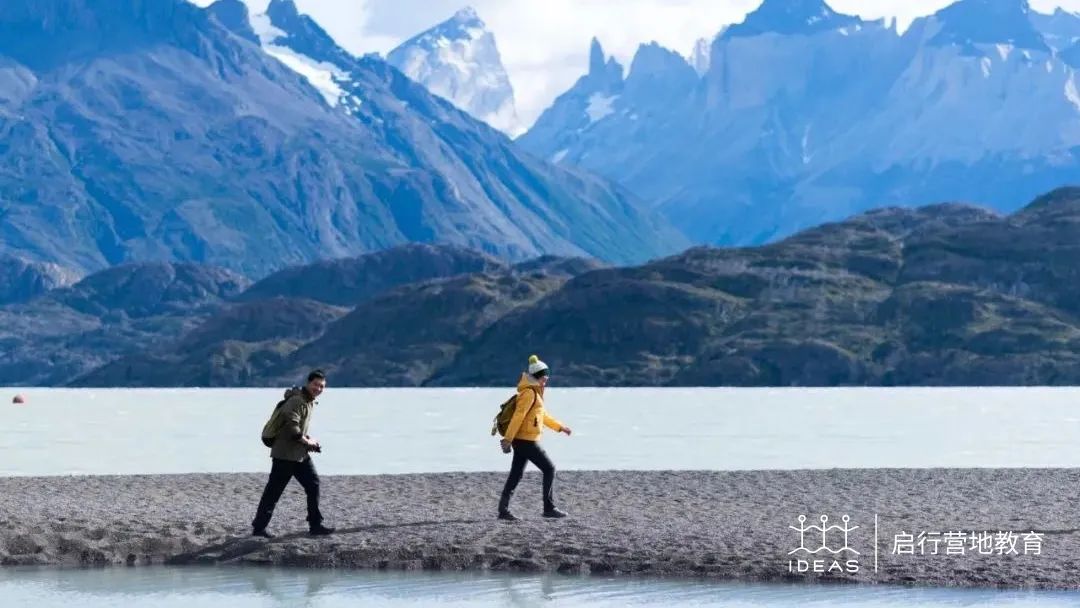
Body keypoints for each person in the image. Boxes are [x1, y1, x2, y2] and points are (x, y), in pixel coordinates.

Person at [251, 369, 335, 538]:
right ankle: (259, 529)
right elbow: (292, 427)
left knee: (313, 485)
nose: (318, 389)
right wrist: (307, 441)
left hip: (299, 455)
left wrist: (308, 440)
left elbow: (298, 429)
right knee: (273, 492)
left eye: (322, 386)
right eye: (316, 385)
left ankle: (315, 525)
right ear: (308, 383)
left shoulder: (308, 401)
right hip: (284, 455)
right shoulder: (296, 400)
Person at [498, 354, 572, 521]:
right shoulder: (529, 393)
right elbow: (519, 416)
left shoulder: (535, 393)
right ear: (538, 377)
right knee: (549, 468)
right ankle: (549, 508)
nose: (546, 381)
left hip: (523, 439)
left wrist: (560, 427)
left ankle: (503, 510)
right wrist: (507, 439)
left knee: (516, 474)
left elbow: (543, 416)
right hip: (526, 440)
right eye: (545, 378)